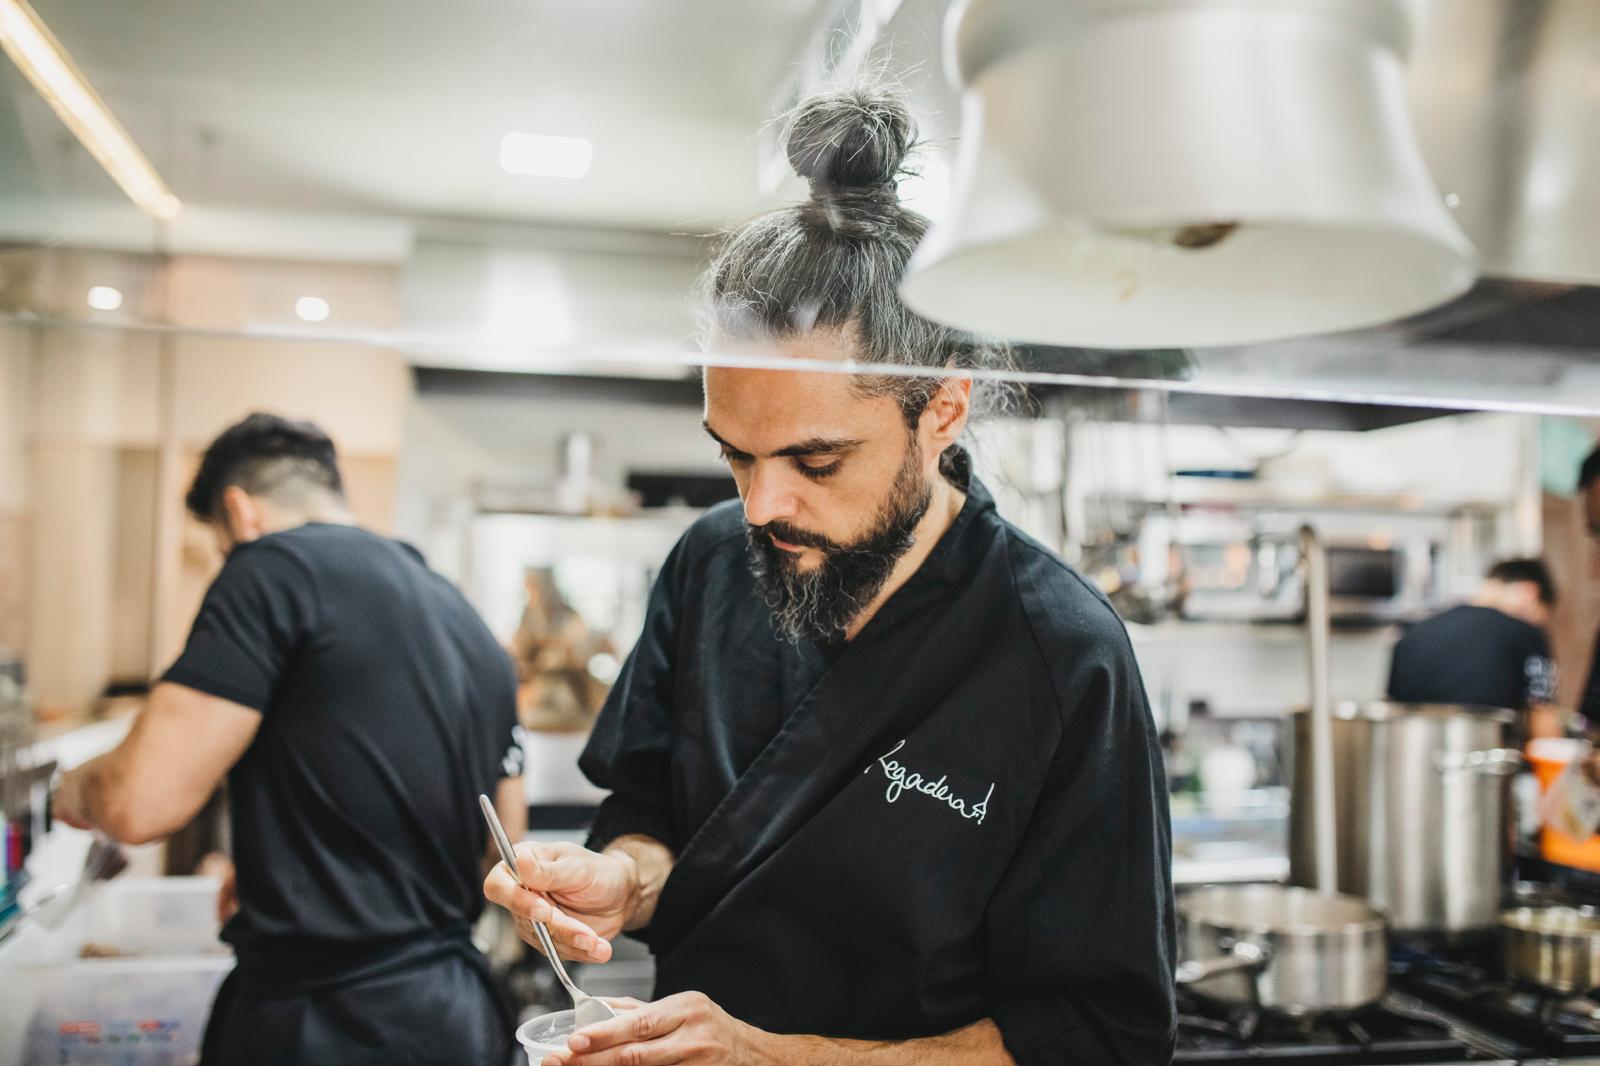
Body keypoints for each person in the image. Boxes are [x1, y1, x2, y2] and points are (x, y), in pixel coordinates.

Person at [485, 88, 1176, 1066]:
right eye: (734, 454)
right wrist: (620, 880)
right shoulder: (711, 563)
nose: (761, 505)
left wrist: (778, 1057)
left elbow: (1098, 1034)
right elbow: (650, 815)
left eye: (814, 462)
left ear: (941, 409)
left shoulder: (1060, 654)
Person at [53, 413, 526, 1066]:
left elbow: (139, 804)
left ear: (238, 511)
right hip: (456, 1014)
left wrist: (68, 788)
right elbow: (505, 850)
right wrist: (292, 868)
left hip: (326, 1023)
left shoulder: (268, 569)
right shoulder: (461, 613)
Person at [1387, 558, 1560, 739]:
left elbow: (1394, 706)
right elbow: (1544, 729)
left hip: (1411, 757)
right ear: (1530, 593)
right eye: (1538, 616)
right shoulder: (1528, 633)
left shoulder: (1414, 630)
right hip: (1488, 757)